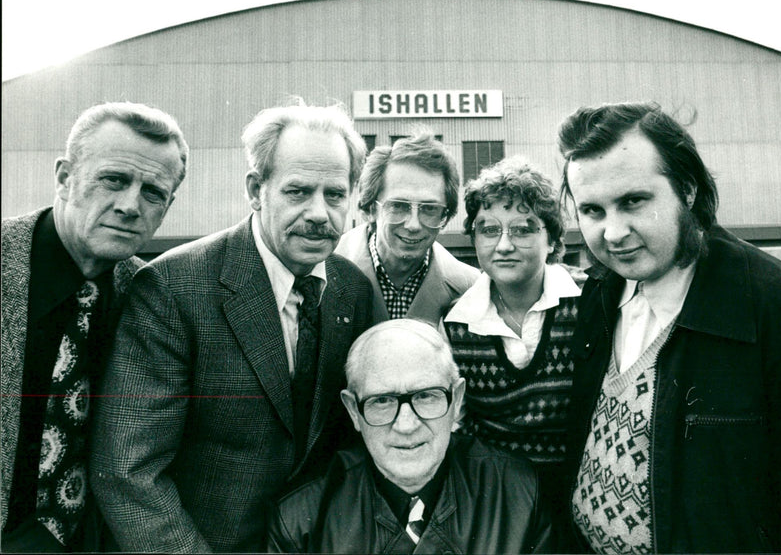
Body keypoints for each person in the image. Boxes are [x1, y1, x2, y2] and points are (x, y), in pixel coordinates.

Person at [90, 101, 374, 552]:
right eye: (298, 192)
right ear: (256, 189)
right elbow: (129, 472)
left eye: (335, 194)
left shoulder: (353, 290)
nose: (320, 213)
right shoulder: (172, 289)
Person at [558, 101, 781, 553]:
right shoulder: (600, 292)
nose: (613, 233)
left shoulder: (779, 308)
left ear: (687, 189)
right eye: (592, 211)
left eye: (633, 201)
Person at [1, 101, 188, 552]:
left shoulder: (152, 294)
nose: (129, 206)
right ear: (65, 178)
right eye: (114, 180)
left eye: (152, 192)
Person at [265, 319, 555, 554]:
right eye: (382, 401)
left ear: (456, 400)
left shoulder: (520, 493)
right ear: (353, 410)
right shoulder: (300, 521)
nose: (406, 425)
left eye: (426, 396)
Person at [442, 156, 584, 545]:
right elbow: (457, 429)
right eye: (488, 229)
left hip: (582, 492)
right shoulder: (455, 325)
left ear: (552, 239)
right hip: (499, 501)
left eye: (524, 229)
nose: (504, 245)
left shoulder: (589, 306)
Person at [335, 131, 478, 325]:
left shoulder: (470, 288)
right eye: (398, 206)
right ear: (370, 209)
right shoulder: (321, 273)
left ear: (445, 216)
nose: (413, 225)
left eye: (429, 209)